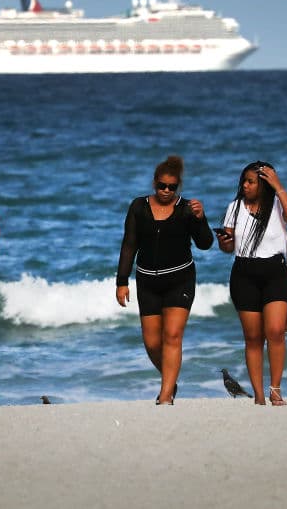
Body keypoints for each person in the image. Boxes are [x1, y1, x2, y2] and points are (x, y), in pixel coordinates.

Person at [115, 155, 213, 405]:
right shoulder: (138, 207)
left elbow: (205, 244)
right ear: (154, 183)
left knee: (172, 336)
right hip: (147, 281)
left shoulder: (187, 209)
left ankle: (166, 394)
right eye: (162, 186)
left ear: (178, 186)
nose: (166, 191)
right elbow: (129, 245)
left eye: (171, 187)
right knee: (151, 342)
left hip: (180, 279)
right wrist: (122, 281)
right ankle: (171, 380)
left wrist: (201, 219)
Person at [216, 160, 287, 406]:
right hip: (244, 274)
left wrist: (279, 186)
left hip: (275, 272)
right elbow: (229, 246)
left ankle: (275, 389)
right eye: (243, 181)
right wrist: (224, 244)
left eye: (251, 181)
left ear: (264, 184)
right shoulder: (234, 208)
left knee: (275, 332)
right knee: (253, 338)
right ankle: (259, 397)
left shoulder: (276, 205)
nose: (245, 185)